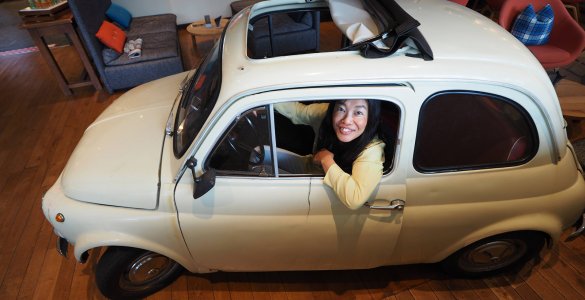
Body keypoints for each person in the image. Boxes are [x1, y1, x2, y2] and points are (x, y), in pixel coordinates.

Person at [275, 99, 385, 210]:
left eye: (358, 113)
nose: (347, 120)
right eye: (341, 109)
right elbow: (298, 112)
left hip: (323, 198)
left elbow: (354, 199)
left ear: (371, 117)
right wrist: (266, 102)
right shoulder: (327, 113)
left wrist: (326, 159)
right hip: (311, 169)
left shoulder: (372, 149)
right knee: (264, 155)